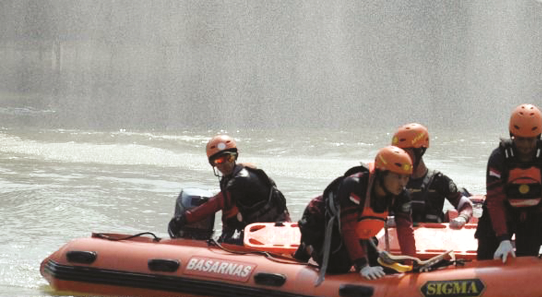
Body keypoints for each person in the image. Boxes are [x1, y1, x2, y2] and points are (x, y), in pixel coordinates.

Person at [294, 145, 416, 278]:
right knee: (338, 266)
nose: (403, 183)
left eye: (406, 178)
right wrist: (362, 266)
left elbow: (405, 229)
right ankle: (308, 246)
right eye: (398, 177)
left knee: (378, 263)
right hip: (320, 221)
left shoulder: (401, 195)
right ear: (381, 173)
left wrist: (411, 263)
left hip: (359, 227)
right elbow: (348, 228)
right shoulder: (354, 186)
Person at [475, 104, 542, 262]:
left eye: (530, 140)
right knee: (486, 258)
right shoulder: (499, 157)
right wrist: (503, 238)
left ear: (539, 136)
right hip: (501, 213)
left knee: (527, 261)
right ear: (512, 135)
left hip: (533, 215)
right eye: (520, 139)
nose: (525, 146)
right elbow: (495, 201)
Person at [170, 134, 290, 243]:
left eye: (230, 158)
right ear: (214, 164)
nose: (225, 164)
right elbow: (228, 212)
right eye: (220, 160)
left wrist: (184, 218)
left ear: (235, 157)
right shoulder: (228, 180)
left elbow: (216, 203)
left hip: (275, 234)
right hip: (258, 233)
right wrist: (225, 235)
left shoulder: (244, 178)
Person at [391, 122, 473, 228]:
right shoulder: (392, 182)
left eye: (404, 152)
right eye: (397, 152)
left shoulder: (439, 181)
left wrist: (462, 217)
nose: (400, 157)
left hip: (433, 240)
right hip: (399, 238)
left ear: (420, 150)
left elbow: (465, 205)